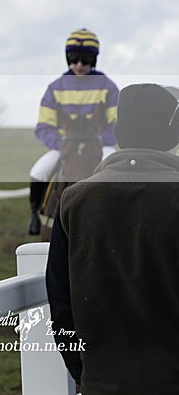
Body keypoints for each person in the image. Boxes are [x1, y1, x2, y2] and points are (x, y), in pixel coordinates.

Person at [46, 83, 179, 393]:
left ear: (120, 132)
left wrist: (84, 373)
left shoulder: (73, 200)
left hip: (100, 382)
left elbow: (61, 303)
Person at [28, 28, 119, 235]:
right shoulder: (55, 88)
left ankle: (122, 215)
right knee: (39, 171)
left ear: (93, 60)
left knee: (117, 173)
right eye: (74, 59)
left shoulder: (108, 87)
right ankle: (35, 214)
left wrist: (97, 141)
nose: (78, 65)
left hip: (100, 145)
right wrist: (62, 144)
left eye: (84, 60)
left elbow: (117, 123)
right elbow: (44, 125)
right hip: (65, 146)